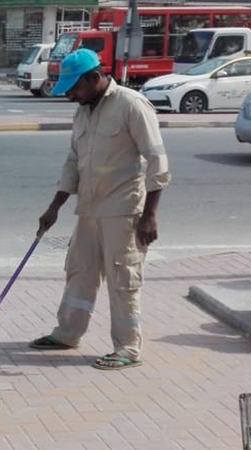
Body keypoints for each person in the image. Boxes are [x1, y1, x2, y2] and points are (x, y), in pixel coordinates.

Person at [29, 49, 171, 371]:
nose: (70, 94)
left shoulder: (131, 105)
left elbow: (157, 161)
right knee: (79, 272)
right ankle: (68, 333)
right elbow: (73, 162)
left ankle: (128, 348)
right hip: (89, 209)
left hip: (123, 210)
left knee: (123, 279)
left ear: (94, 78)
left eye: (74, 87)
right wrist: (54, 207)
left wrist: (149, 215)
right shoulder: (83, 111)